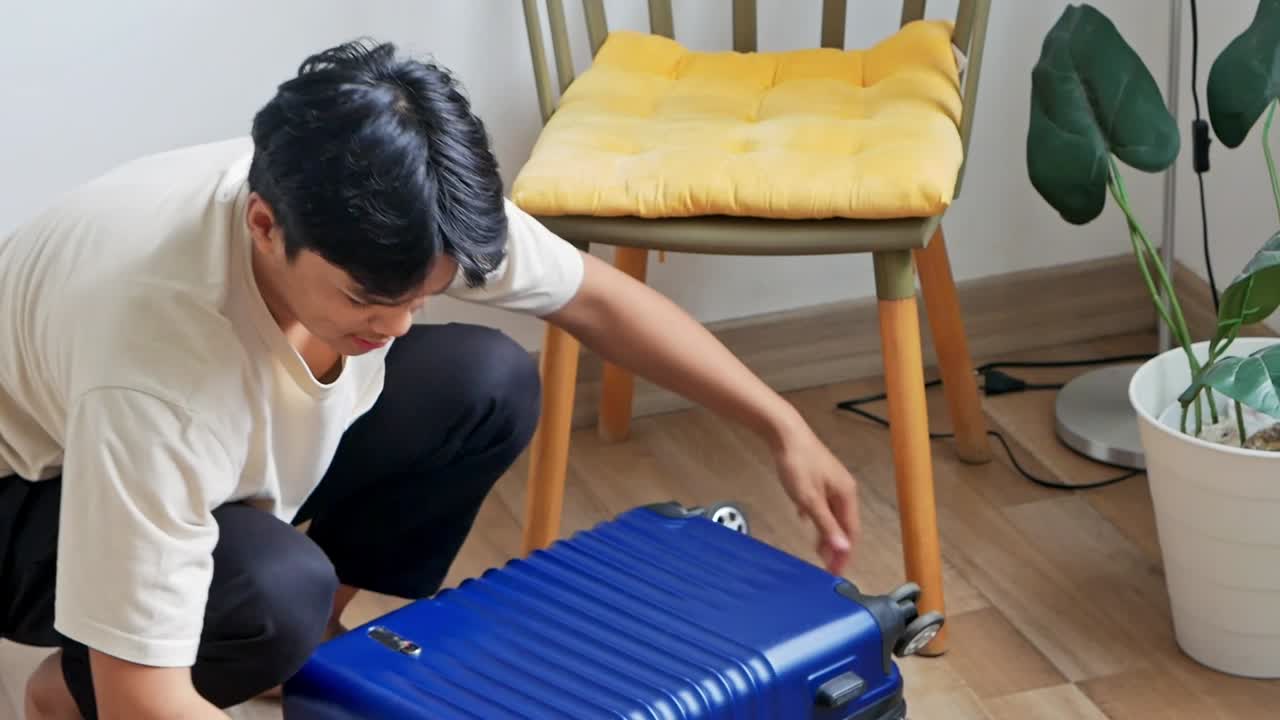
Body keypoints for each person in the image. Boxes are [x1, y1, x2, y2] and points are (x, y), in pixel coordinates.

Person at [0, 40, 861, 719]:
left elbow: (598, 303)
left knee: (485, 378)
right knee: (272, 587)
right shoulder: (160, 368)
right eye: (371, 300)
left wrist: (783, 425)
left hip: (150, 425)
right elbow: (141, 703)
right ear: (264, 226)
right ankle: (58, 696)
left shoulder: (393, 200)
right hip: (29, 489)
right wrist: (118, 688)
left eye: (426, 294)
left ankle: (309, 650)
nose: (401, 326)